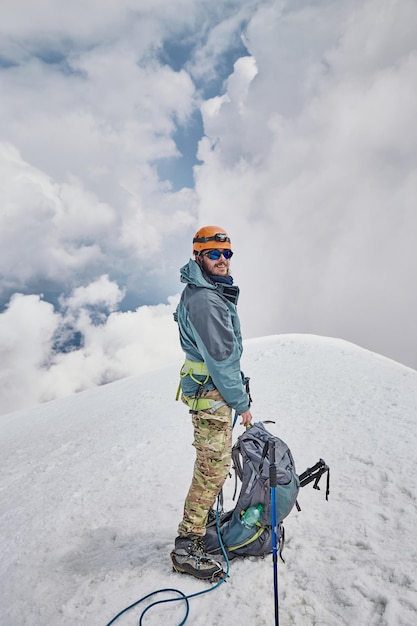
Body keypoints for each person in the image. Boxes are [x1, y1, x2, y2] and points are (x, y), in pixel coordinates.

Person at [171, 225, 253, 580]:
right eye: (214, 254)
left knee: (213, 464)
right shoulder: (205, 300)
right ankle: (187, 545)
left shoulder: (207, 291)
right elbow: (220, 358)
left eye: (227, 254)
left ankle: (201, 523)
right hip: (212, 395)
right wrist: (242, 401)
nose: (222, 260)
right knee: (213, 469)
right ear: (198, 256)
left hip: (210, 392)